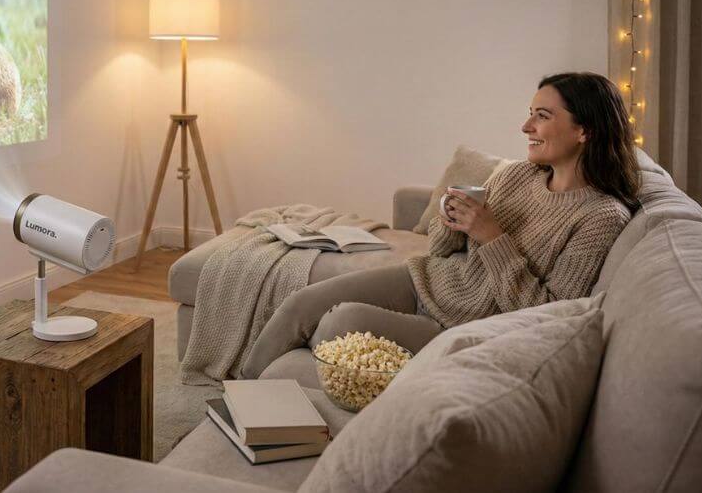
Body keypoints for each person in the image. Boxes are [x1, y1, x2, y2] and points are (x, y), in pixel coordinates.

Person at [240, 72, 638, 379]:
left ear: (584, 130)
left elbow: (548, 316)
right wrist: (453, 218)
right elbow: (442, 252)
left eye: (542, 116)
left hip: (467, 326)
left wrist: (492, 236)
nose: (525, 126)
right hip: (430, 281)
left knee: (339, 324)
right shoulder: (517, 175)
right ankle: (241, 397)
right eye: (530, 113)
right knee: (300, 304)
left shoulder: (601, 217)